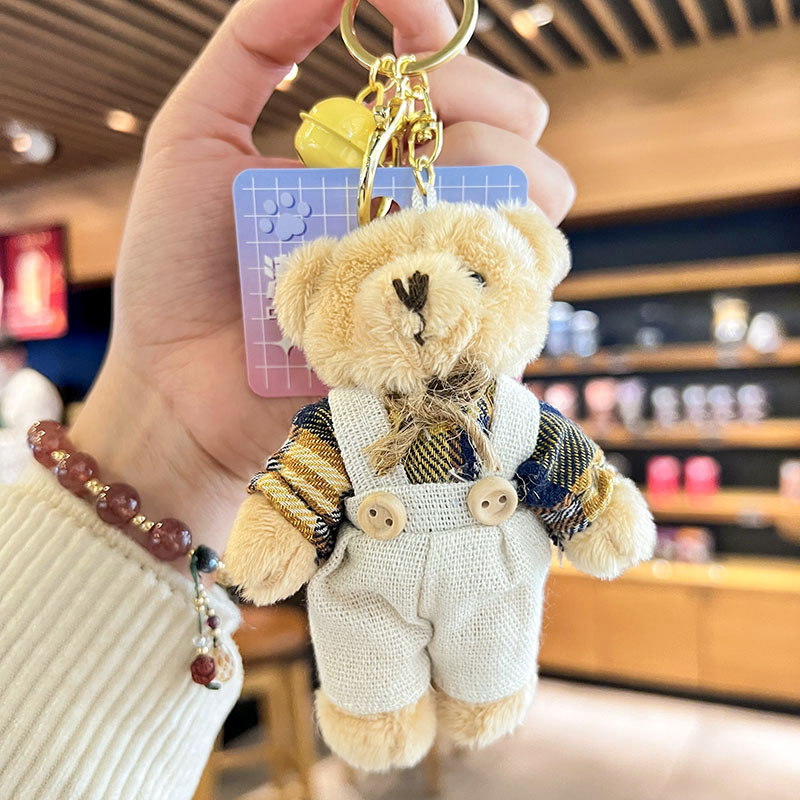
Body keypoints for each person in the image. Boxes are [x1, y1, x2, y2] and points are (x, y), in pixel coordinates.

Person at [0, 0, 575, 797]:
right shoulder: (344, 419)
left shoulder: (496, 413)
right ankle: (382, 711)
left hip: (481, 567)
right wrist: (184, 447)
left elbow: (570, 470)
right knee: (367, 640)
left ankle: (487, 692)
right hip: (366, 572)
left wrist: (593, 507)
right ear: (305, 292)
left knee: (491, 636)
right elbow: (304, 486)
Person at [0, 335, 63, 484]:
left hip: (33, 478)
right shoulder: (8, 386)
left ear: (16, 355)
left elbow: (31, 446)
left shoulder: (31, 386)